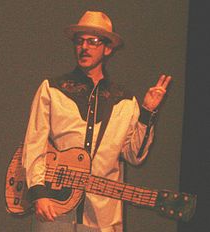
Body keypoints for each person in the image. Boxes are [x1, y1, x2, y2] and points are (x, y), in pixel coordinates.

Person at [22, 10, 171, 232]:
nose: (85, 47)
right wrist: (38, 192)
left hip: (103, 217)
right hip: (56, 209)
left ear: (107, 48)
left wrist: (147, 111)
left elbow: (134, 155)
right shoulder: (52, 90)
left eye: (92, 41)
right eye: (80, 41)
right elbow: (34, 144)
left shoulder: (125, 101)